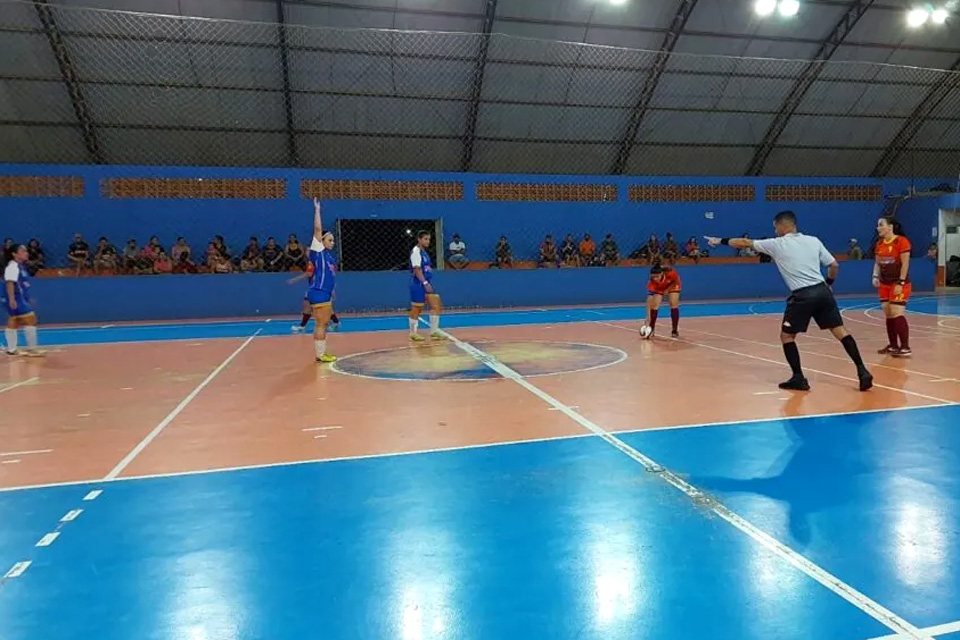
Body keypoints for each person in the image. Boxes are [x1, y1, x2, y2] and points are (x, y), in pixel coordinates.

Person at [707, 210, 873, 392]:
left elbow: (745, 242)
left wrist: (719, 241)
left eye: (775, 227)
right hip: (823, 291)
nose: (775, 231)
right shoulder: (813, 240)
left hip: (802, 296)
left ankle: (798, 378)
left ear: (782, 225)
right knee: (840, 331)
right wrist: (829, 283)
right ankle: (862, 370)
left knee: (787, 336)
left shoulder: (777, 244)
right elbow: (834, 265)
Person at [873, 216, 911, 357]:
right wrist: (875, 276)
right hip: (884, 283)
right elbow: (877, 263)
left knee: (897, 313)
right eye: (878, 225)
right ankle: (893, 346)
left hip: (898, 283)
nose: (878, 228)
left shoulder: (901, 242)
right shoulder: (879, 244)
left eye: (881, 225)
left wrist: (901, 282)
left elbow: (905, 264)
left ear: (890, 227)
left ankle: (905, 347)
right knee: (888, 314)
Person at [306, 198, 338, 363]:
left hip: (324, 292)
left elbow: (331, 277)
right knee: (321, 323)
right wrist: (317, 210)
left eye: (333, 240)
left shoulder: (329, 258)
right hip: (318, 291)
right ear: (321, 241)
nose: (332, 242)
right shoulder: (318, 250)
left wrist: (332, 292)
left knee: (323, 323)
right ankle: (320, 354)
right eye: (329, 239)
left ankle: (321, 353)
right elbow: (318, 228)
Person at [3, 243, 43, 357]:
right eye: (23, 251)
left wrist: (27, 298)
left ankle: (12, 349)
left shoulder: (20, 267)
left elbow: (21, 285)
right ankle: (32, 349)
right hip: (15, 297)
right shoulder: (13, 266)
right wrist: (12, 299)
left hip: (18, 298)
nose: (26, 253)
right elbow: (10, 282)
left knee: (14, 321)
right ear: (14, 254)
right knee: (31, 319)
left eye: (26, 251)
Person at [408, 230, 445, 342]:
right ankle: (413, 333)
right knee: (417, 308)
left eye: (429, 239)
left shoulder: (424, 252)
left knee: (436, 305)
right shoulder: (416, 252)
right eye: (425, 239)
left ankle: (434, 331)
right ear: (419, 239)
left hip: (426, 282)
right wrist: (424, 283)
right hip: (419, 283)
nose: (428, 241)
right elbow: (417, 270)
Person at [289, 261, 339, 334]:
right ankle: (302, 326)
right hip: (315, 287)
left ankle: (335, 323)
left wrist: (294, 280)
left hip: (321, 287)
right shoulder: (316, 261)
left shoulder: (319, 261)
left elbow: (308, 273)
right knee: (307, 305)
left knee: (324, 307)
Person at [643, 260, 682, 338]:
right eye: (653, 277)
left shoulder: (671, 273)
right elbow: (649, 301)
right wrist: (648, 317)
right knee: (655, 305)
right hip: (660, 287)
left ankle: (674, 330)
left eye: (657, 277)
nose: (655, 279)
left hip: (673, 285)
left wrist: (667, 290)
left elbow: (676, 280)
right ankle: (651, 328)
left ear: (662, 273)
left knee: (673, 303)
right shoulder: (652, 283)